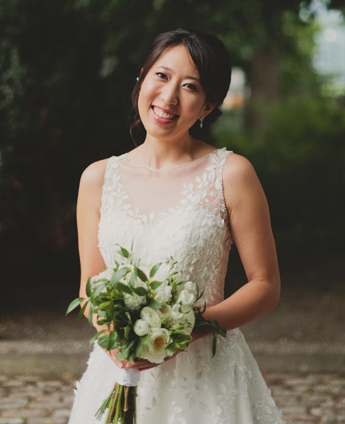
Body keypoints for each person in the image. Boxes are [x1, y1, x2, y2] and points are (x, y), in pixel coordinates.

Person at [69, 29, 284, 423]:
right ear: (142, 78)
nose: (169, 98)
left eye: (190, 87)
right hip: (117, 370)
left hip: (206, 378)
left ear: (207, 106)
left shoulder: (231, 174)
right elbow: (90, 285)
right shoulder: (97, 178)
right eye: (162, 76)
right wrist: (115, 341)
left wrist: (183, 331)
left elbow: (265, 286)